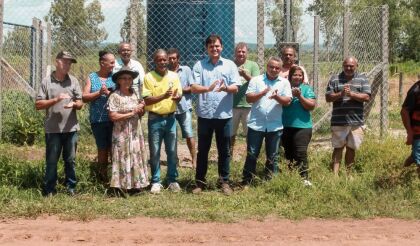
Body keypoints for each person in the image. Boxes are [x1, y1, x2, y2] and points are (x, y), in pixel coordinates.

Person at [191, 34, 241, 195]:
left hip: (223, 116)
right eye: (211, 46)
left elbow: (236, 87)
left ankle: (224, 182)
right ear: (207, 48)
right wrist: (207, 88)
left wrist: (226, 88)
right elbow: (193, 87)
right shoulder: (199, 65)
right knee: (203, 150)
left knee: (224, 150)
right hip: (205, 115)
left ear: (222, 47)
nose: (214, 49)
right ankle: (200, 182)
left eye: (217, 46)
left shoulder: (230, 65)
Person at [35, 51, 83, 196]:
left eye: (70, 63)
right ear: (57, 62)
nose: (67, 65)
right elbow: (38, 104)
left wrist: (74, 105)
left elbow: (81, 102)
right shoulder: (47, 81)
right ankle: (50, 189)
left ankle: (71, 188)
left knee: (70, 160)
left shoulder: (73, 81)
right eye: (65, 61)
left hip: (71, 128)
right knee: (51, 161)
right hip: (53, 129)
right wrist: (55, 100)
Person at [242, 57, 292, 186]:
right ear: (267, 66)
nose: (274, 70)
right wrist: (262, 92)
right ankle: (248, 181)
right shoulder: (256, 80)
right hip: (256, 124)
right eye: (271, 67)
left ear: (280, 69)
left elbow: (287, 101)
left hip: (274, 125)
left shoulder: (284, 83)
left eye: (277, 68)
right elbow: (249, 98)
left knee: (273, 156)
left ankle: (270, 181)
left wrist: (277, 97)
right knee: (252, 154)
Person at [142, 49, 183, 194]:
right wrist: (163, 96)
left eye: (165, 59)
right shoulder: (148, 77)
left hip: (171, 118)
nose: (163, 62)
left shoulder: (174, 76)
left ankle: (172, 180)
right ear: (155, 61)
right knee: (155, 152)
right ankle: (156, 181)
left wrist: (178, 98)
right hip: (155, 119)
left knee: (172, 151)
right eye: (159, 60)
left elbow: (179, 95)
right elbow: (146, 99)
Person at [325, 56, 371, 176]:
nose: (349, 68)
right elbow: (328, 97)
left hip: (356, 122)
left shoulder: (362, 79)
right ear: (343, 65)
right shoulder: (335, 79)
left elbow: (366, 97)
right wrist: (340, 94)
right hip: (339, 121)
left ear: (356, 66)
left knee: (351, 148)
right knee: (338, 147)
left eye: (351, 66)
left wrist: (352, 94)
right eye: (346, 65)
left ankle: (348, 175)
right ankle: (334, 177)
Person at [108, 69, 149, 194]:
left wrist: (142, 109)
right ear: (118, 81)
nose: (127, 81)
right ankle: (122, 186)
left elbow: (140, 113)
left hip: (135, 132)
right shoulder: (115, 96)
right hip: (121, 133)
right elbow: (113, 116)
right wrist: (132, 113)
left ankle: (136, 185)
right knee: (122, 156)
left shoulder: (135, 94)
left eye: (130, 79)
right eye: (124, 78)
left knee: (135, 156)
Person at [82, 51, 116, 183]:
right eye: (111, 62)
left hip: (114, 119)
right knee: (102, 149)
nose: (114, 65)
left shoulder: (115, 78)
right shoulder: (92, 77)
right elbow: (84, 97)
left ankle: (115, 179)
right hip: (98, 120)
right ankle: (102, 179)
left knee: (114, 149)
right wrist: (99, 93)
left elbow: (120, 95)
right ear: (103, 63)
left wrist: (109, 94)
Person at [282, 66, 316, 186]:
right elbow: (281, 103)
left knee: (300, 152)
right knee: (288, 152)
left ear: (303, 77)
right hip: (285, 125)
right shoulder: (284, 87)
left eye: (300, 75)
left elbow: (311, 106)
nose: (297, 77)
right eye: (295, 75)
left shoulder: (306, 88)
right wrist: (289, 96)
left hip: (303, 126)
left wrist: (300, 96)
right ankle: (291, 177)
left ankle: (304, 178)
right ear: (290, 76)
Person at [167, 48, 197, 168]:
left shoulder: (186, 70)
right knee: (172, 135)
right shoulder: (165, 72)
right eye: (170, 58)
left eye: (174, 58)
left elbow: (192, 87)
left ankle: (194, 159)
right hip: (170, 108)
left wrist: (179, 90)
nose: (172, 60)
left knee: (189, 134)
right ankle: (174, 160)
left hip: (184, 107)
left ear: (178, 59)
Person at [231, 42, 260, 155]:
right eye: (239, 51)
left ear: (247, 53)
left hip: (249, 106)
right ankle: (229, 156)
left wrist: (245, 75)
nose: (241, 54)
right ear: (235, 53)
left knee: (250, 134)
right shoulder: (230, 65)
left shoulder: (253, 65)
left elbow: (257, 83)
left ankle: (250, 156)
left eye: (243, 51)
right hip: (232, 105)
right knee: (230, 133)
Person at [401, 80, 420, 177]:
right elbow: (404, 111)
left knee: (414, 156)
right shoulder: (415, 90)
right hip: (418, 131)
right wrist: (410, 132)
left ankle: (400, 176)